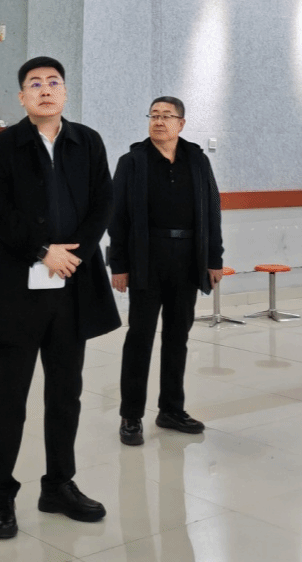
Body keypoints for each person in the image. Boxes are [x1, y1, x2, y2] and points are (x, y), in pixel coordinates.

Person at [0, 57, 120, 540]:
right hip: (18, 287)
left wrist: (72, 255)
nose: (44, 89)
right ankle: (1, 495)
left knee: (66, 393)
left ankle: (58, 485)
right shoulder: (3, 145)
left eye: (53, 82)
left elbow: (103, 202)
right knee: (9, 396)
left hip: (72, 286)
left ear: (65, 92)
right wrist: (42, 251)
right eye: (34, 84)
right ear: (22, 97)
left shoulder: (88, 141)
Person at [110, 96, 224, 446]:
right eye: (154, 115)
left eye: (166, 116)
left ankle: (171, 409)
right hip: (147, 259)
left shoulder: (197, 161)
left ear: (181, 123)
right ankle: (131, 416)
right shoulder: (133, 161)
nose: (158, 121)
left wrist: (214, 258)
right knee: (140, 337)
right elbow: (118, 217)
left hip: (188, 260)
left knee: (178, 337)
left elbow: (212, 210)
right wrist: (119, 265)